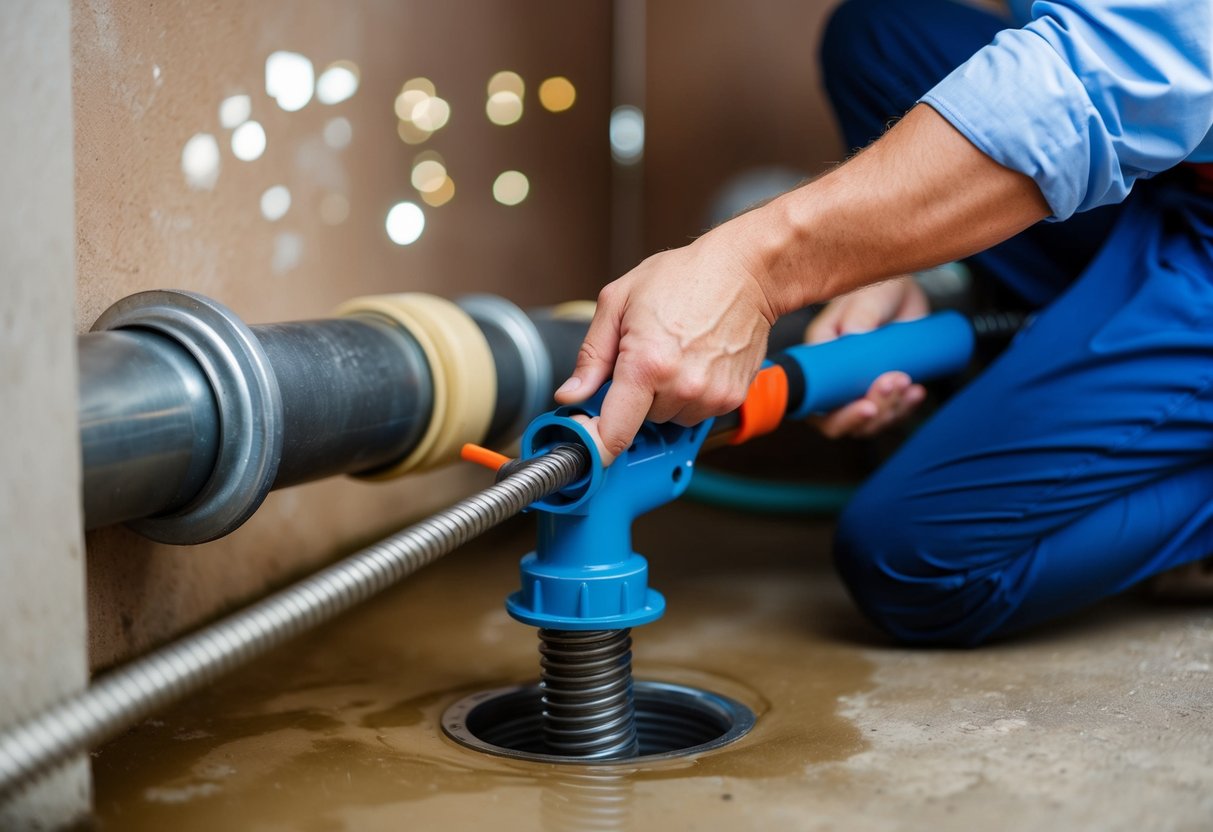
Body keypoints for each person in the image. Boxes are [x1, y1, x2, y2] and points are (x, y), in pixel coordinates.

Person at [554, 0, 1213, 645]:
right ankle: (1104, 371)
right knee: (875, 37)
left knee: (913, 563)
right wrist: (891, 258)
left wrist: (752, 271)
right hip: (1182, 178)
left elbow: (1122, 69)